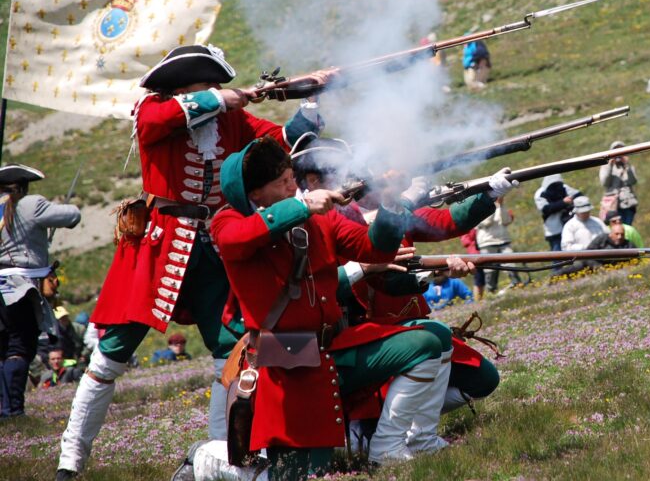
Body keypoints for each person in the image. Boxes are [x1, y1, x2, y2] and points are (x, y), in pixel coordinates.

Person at [57, 45, 330, 480]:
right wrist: (222, 98)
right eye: (207, 85)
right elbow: (153, 122)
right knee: (110, 356)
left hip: (215, 246)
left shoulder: (230, 119)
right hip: (159, 246)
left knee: (232, 350)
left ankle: (223, 454)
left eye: (217, 86)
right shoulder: (154, 109)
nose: (216, 91)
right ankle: (70, 461)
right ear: (184, 89)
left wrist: (314, 100)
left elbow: (279, 142)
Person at [211, 137, 447, 474]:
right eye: (282, 182)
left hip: (327, 350)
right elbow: (238, 238)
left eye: (291, 177)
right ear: (255, 195)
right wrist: (304, 205)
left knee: (425, 343)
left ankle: (389, 446)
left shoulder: (321, 220)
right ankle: (207, 461)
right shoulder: (229, 222)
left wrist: (394, 205)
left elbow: (374, 249)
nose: (292, 185)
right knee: (295, 471)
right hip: (284, 358)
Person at [0, 164, 81, 418]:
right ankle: (13, 410)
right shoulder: (30, 204)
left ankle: (4, 409)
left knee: (3, 350)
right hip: (20, 289)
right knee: (19, 348)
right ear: (22, 186)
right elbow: (72, 216)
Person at [475, 196, 526, 292]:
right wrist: (493, 205)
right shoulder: (480, 208)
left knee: (511, 263)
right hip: (487, 242)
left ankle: (517, 284)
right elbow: (486, 222)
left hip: (503, 240)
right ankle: (491, 290)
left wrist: (501, 206)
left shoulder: (499, 206)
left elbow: (507, 220)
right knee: (490, 269)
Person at [533, 174, 580, 251]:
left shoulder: (564, 187)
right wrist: (563, 202)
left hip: (569, 226)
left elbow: (578, 195)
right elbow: (546, 209)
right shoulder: (540, 193)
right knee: (557, 255)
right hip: (554, 230)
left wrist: (572, 201)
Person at [598, 143, 639, 225]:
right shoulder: (606, 167)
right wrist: (610, 165)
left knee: (627, 228)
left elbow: (633, 181)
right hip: (612, 205)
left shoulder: (629, 167)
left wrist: (627, 166)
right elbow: (604, 182)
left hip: (628, 204)